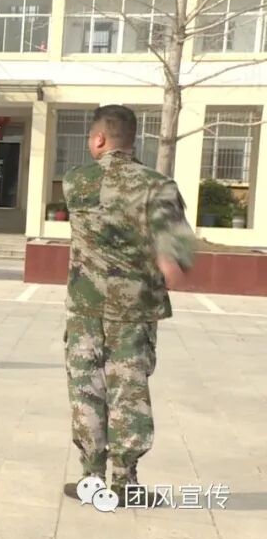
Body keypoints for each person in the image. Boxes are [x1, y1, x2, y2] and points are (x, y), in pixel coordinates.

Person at [61, 105, 196, 507]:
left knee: (86, 390)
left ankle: (91, 477)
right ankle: (124, 482)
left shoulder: (75, 182)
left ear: (99, 139)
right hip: (133, 313)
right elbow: (177, 261)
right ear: (133, 139)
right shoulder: (158, 186)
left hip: (85, 309)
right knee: (128, 393)